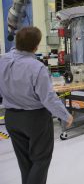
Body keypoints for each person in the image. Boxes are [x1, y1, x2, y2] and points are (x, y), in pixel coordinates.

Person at [0, 27, 73, 184]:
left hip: (11, 118)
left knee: (24, 162)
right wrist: (65, 115)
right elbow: (48, 98)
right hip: (35, 119)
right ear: (36, 46)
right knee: (40, 160)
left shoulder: (2, 60)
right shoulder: (36, 67)